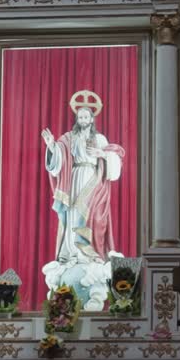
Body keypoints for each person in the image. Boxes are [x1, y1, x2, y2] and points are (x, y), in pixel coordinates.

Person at [40, 90, 126, 266]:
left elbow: (114, 159)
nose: (83, 120)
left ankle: (86, 252)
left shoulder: (100, 138)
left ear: (92, 119)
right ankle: (71, 251)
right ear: (77, 119)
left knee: (91, 212)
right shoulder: (70, 137)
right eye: (80, 117)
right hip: (74, 177)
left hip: (93, 178)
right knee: (72, 211)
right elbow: (59, 155)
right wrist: (51, 146)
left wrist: (102, 154)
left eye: (86, 117)